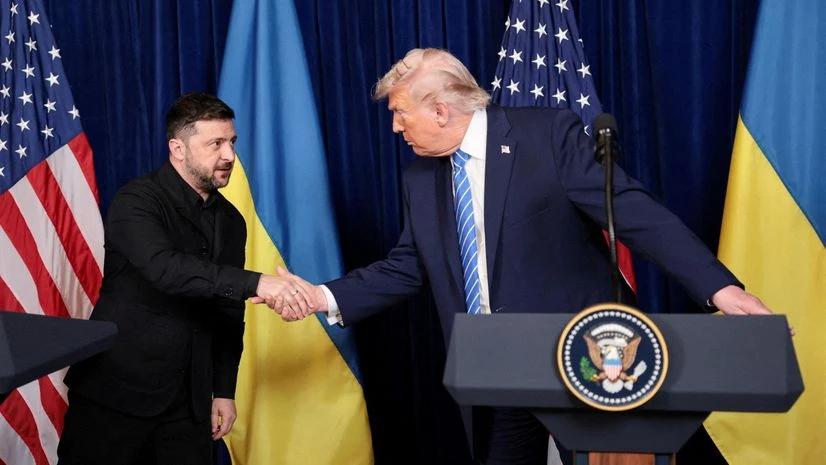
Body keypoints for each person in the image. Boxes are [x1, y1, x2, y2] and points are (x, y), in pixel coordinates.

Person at [265, 49, 772, 465]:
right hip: (498, 365)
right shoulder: (420, 176)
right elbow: (408, 265)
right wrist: (320, 296)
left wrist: (719, 288)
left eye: (401, 112)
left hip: (584, 360)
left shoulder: (547, 136)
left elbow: (634, 214)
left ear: (440, 110)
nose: (396, 127)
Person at [57, 93, 314, 465]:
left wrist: (223, 390)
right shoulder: (137, 200)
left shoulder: (230, 220)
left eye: (231, 142)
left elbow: (228, 312)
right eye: (216, 144)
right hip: (116, 394)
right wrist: (257, 282)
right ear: (178, 148)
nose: (229, 155)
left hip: (189, 406)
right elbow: (166, 270)